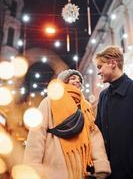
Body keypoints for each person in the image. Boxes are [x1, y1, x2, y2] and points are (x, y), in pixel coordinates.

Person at [22, 69, 111, 179]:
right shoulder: (49, 101)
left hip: (80, 168)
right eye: (73, 78)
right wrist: (33, 166)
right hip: (53, 165)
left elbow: (94, 136)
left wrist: (100, 163)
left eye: (79, 80)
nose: (77, 81)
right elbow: (37, 134)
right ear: (63, 82)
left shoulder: (85, 106)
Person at [94, 46, 133, 179]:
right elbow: (97, 130)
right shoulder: (103, 95)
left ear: (112, 63)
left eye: (100, 67)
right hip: (109, 172)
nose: (98, 72)